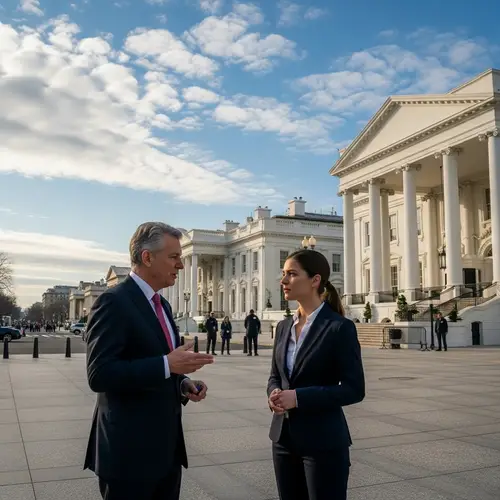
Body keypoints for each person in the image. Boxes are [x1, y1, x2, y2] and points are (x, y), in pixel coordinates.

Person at [84, 222, 214, 500]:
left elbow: (160, 364)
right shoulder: (113, 302)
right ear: (147, 257)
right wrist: (169, 365)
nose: (180, 265)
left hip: (166, 452)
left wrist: (182, 382)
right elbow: (100, 374)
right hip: (128, 454)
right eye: (174, 257)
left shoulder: (163, 305)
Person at [267, 249, 365, 500]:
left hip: (323, 441)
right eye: (283, 274)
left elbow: (354, 389)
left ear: (315, 280)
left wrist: (299, 397)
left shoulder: (339, 327)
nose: (284, 281)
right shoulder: (283, 327)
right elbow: (275, 376)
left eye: (292, 274)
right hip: (283, 439)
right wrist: (274, 394)